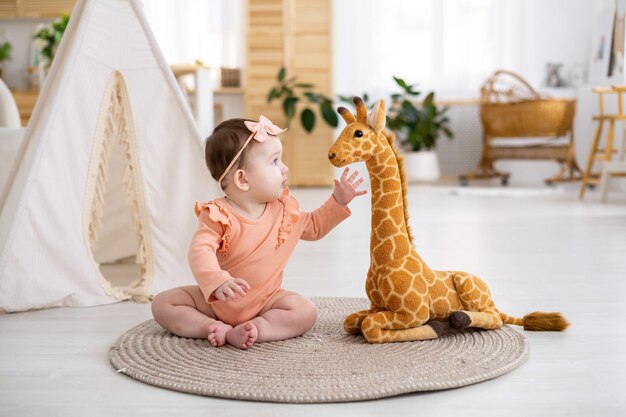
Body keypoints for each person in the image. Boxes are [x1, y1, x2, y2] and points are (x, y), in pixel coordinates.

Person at [151, 116, 367, 349]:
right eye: (274, 161)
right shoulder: (217, 214)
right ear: (242, 179)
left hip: (266, 302)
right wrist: (217, 282)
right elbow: (199, 250)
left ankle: (258, 328)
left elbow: (314, 226)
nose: (285, 168)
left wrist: (338, 201)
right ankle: (210, 327)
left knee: (305, 310)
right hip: (215, 302)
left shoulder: (284, 211)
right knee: (163, 304)